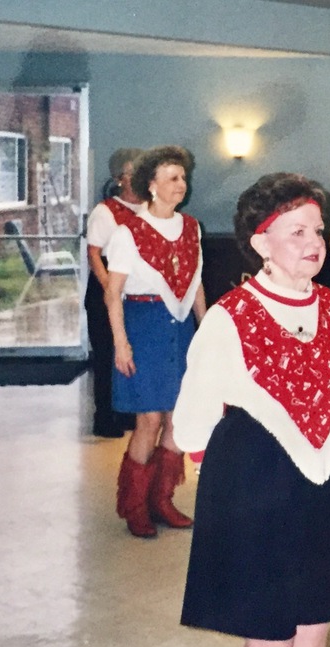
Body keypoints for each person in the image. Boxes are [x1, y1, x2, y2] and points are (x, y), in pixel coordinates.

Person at [175, 173, 330, 647]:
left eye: (318, 231)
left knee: (317, 621)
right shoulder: (231, 317)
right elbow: (192, 419)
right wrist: (226, 489)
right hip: (254, 482)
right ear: (260, 243)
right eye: (296, 232)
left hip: (322, 479)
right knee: (271, 636)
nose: (314, 244)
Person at [104, 145, 205, 538]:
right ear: (151, 185)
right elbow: (113, 294)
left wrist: (206, 331)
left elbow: (196, 285)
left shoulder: (191, 227)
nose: (181, 185)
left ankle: (162, 500)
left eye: (182, 177)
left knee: (178, 417)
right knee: (148, 419)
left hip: (180, 329)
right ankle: (135, 506)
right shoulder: (128, 233)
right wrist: (120, 343)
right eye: (172, 178)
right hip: (143, 326)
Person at [85, 147, 144, 438]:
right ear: (120, 178)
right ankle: (106, 417)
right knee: (108, 353)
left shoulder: (150, 209)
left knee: (132, 352)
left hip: (135, 289)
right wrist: (110, 288)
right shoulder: (105, 211)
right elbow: (94, 253)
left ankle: (129, 412)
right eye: (134, 172)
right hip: (105, 285)